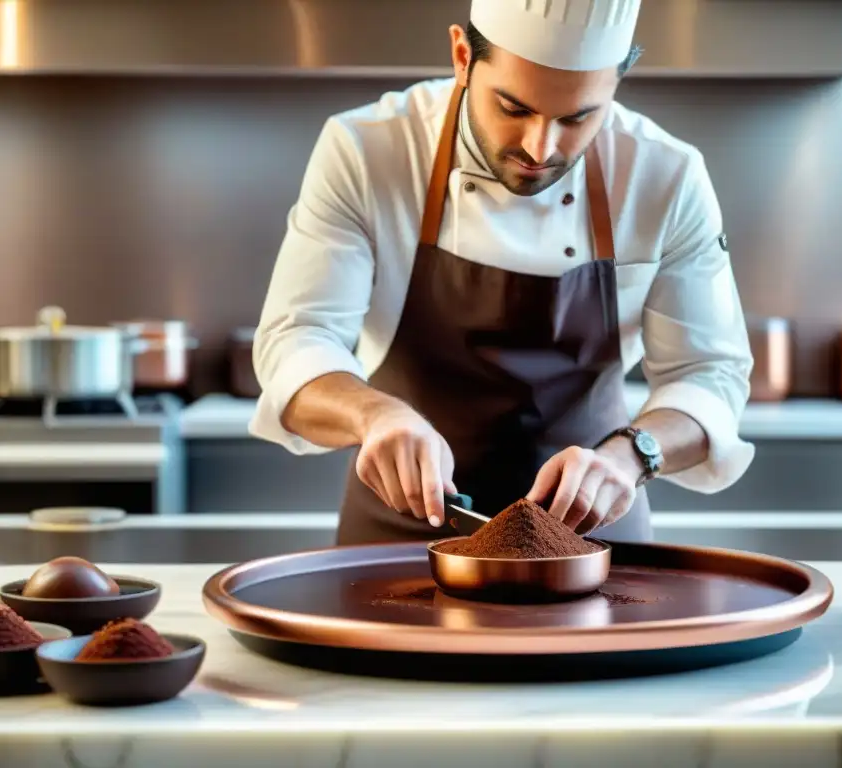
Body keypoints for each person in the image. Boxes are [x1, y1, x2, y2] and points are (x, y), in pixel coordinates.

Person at [249, 0, 754, 546]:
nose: (541, 147)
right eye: (513, 108)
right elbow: (296, 340)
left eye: (577, 118)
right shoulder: (370, 151)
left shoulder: (666, 176)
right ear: (463, 57)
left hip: (590, 540)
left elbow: (710, 374)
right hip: (399, 537)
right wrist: (375, 417)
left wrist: (633, 453)